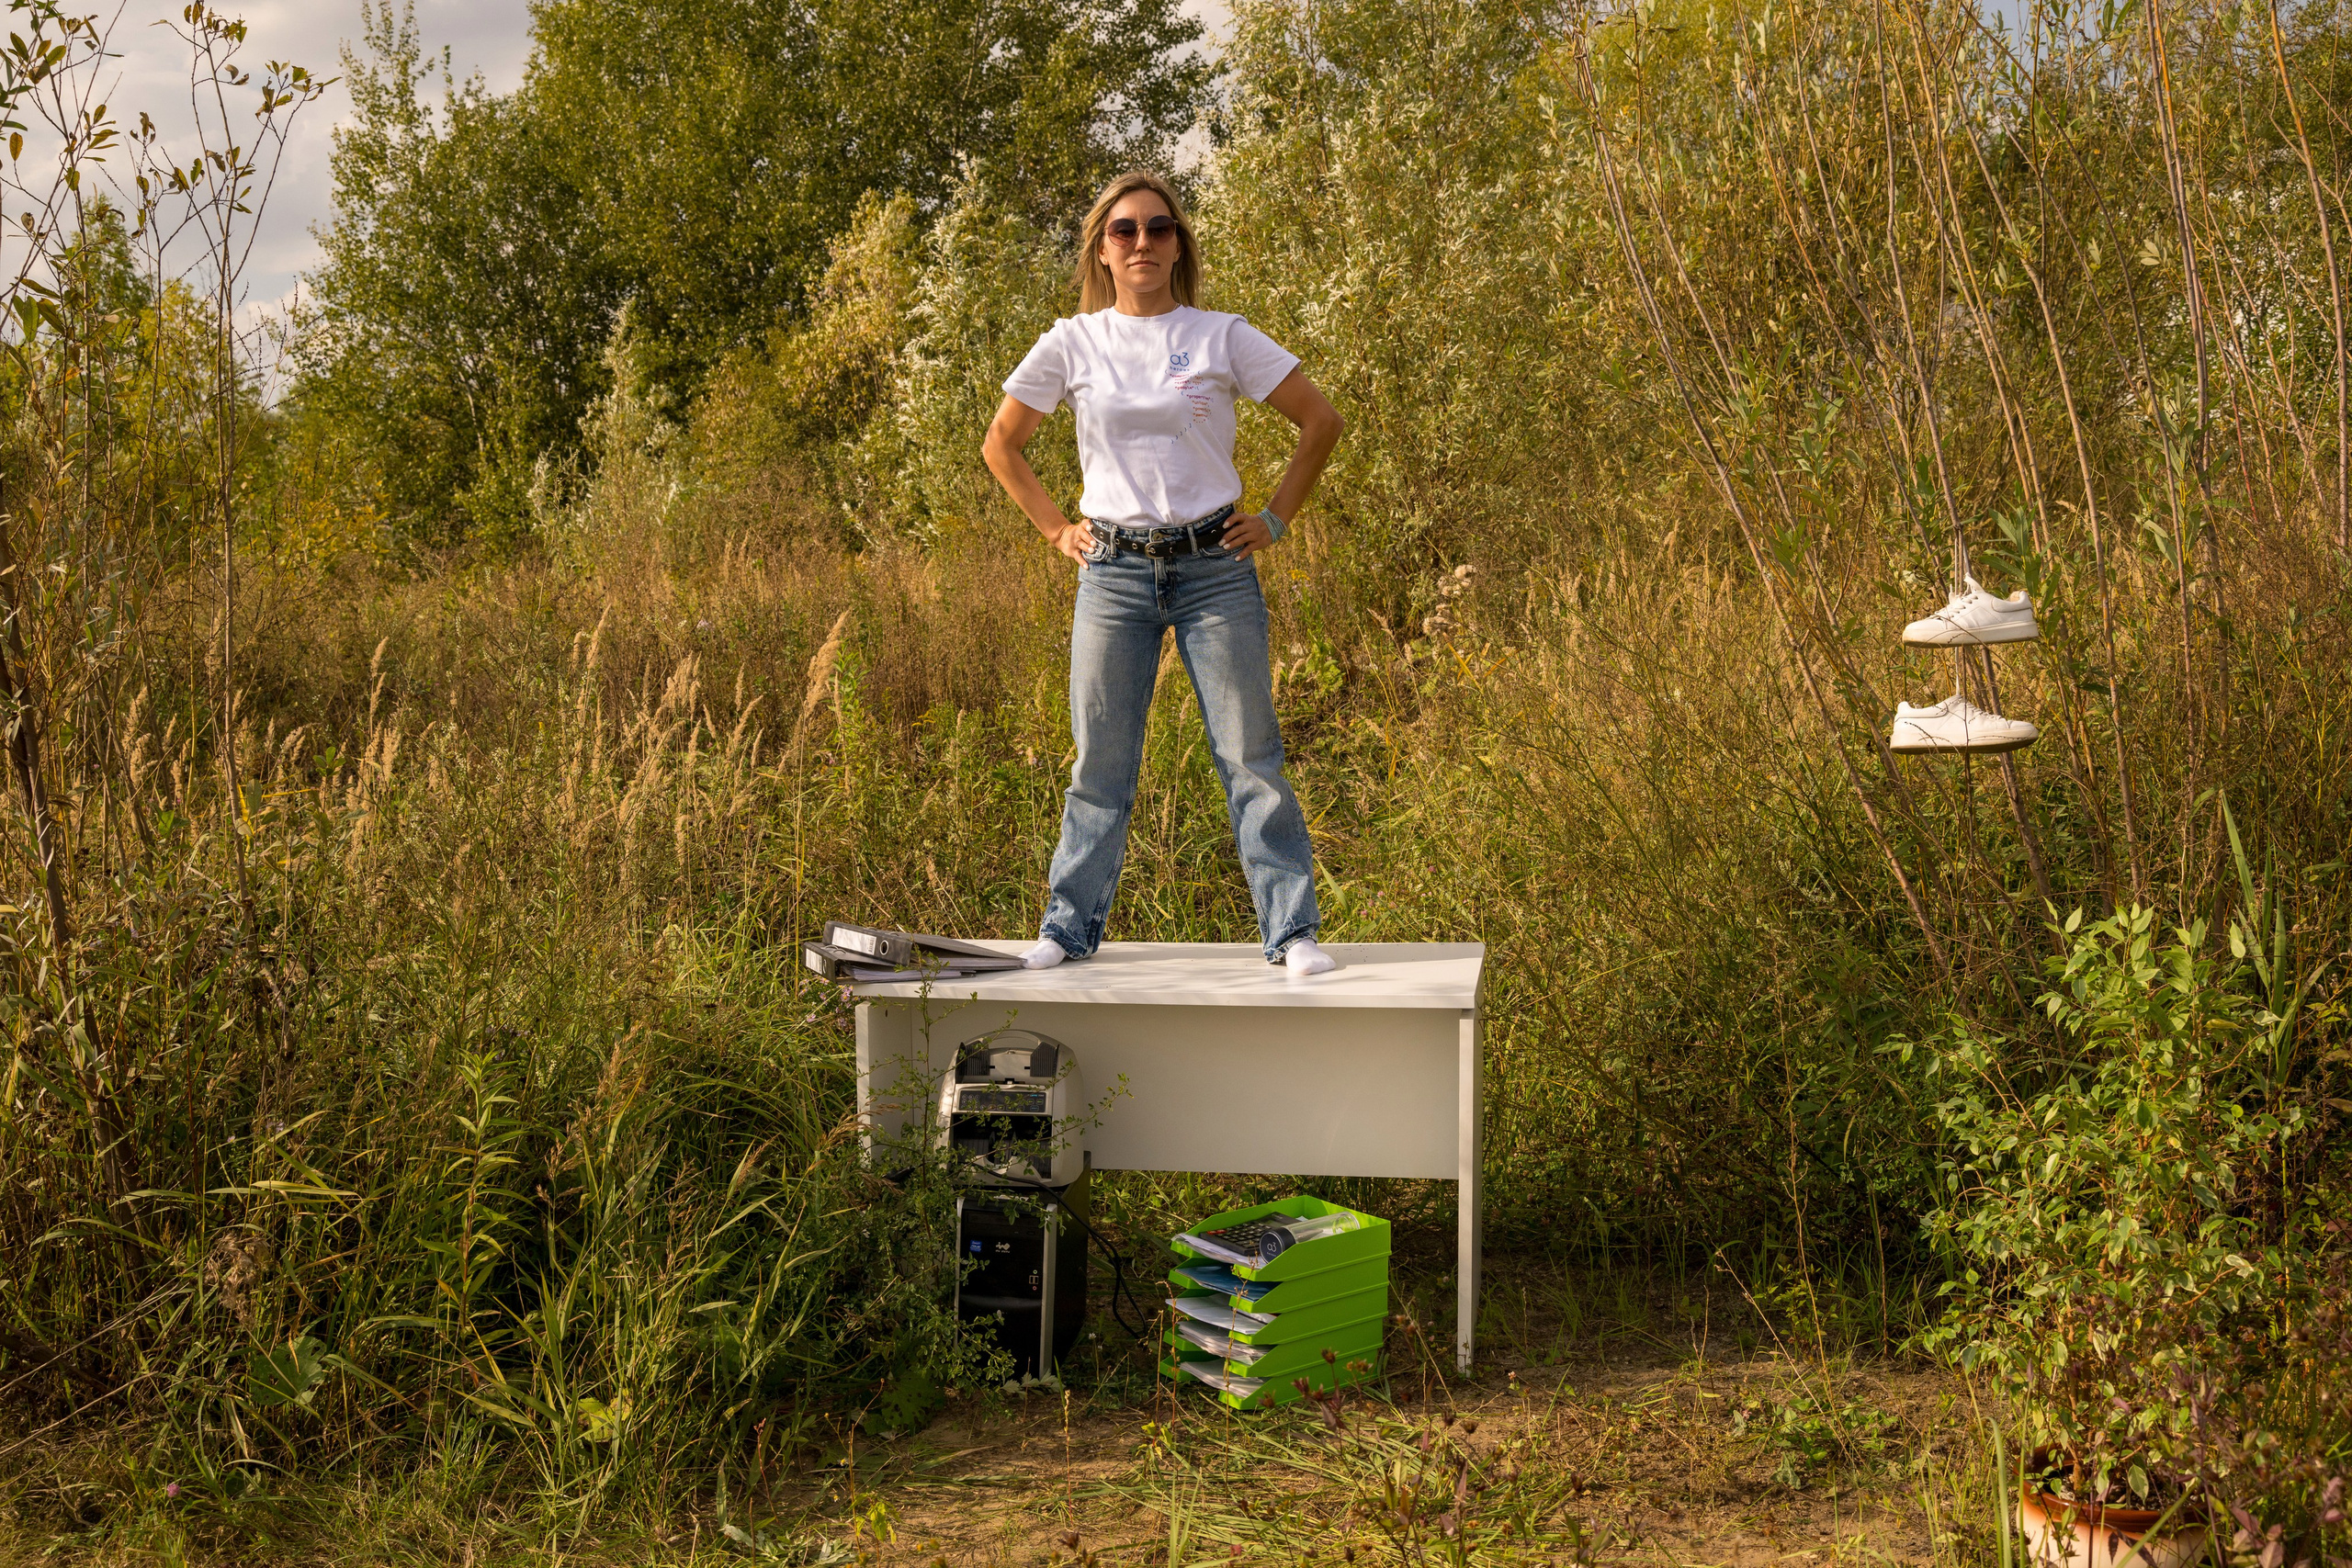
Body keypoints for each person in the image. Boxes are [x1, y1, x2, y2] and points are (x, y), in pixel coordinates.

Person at [981, 169, 1345, 976]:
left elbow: (1321, 421)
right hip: (1112, 569)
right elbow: (1000, 445)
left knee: (1252, 757)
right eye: (1124, 231)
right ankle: (1068, 929)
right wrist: (1055, 529)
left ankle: (1292, 933)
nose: (1142, 242)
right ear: (1102, 251)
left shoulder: (1222, 335)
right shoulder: (1072, 342)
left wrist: (1277, 516)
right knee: (1099, 762)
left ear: (1178, 243)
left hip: (1214, 566)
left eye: (1158, 228)